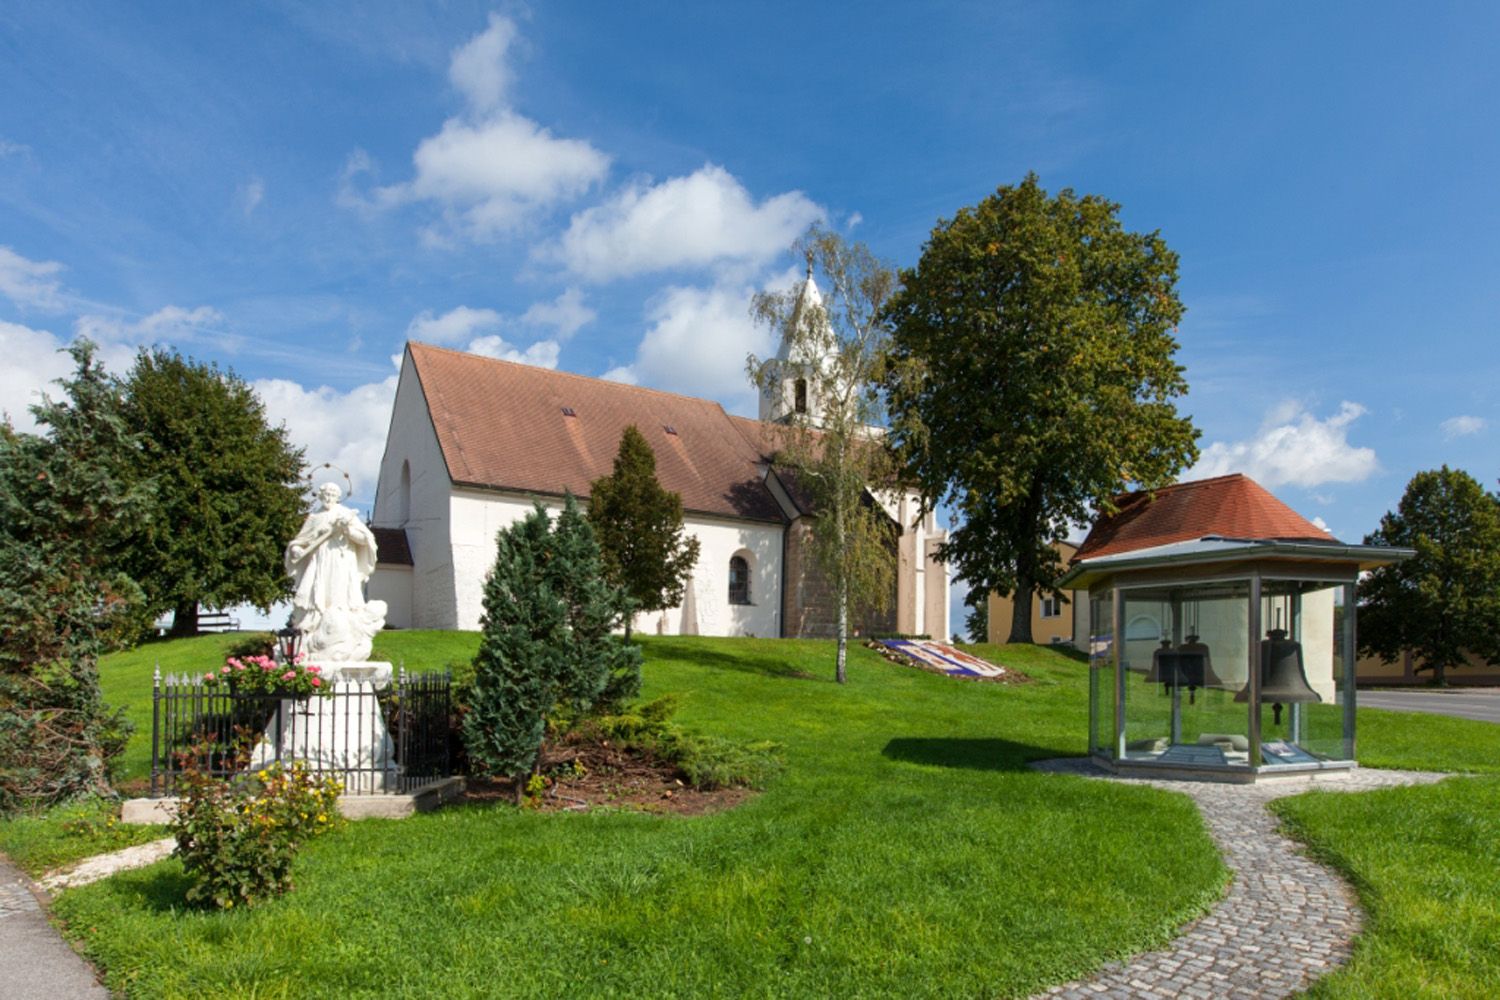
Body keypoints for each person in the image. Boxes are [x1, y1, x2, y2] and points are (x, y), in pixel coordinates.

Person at [285, 482, 387, 662]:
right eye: (326, 494)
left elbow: (365, 539)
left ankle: (338, 631)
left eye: (332, 494)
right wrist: (296, 550)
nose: (329, 497)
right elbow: (300, 541)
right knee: (314, 596)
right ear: (320, 495)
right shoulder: (314, 518)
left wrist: (347, 530)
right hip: (320, 562)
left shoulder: (346, 515)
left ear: (338, 497)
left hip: (341, 562)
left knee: (340, 596)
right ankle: (312, 630)